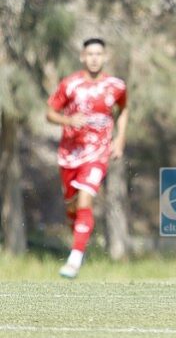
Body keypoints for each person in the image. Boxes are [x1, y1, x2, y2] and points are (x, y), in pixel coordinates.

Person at [46, 38, 128, 279]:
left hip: (97, 153)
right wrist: (68, 120)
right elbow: (49, 112)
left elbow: (124, 109)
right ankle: (79, 239)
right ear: (82, 57)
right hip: (70, 155)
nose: (94, 58)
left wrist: (120, 138)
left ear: (105, 57)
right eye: (89, 54)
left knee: (85, 201)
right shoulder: (70, 85)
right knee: (72, 206)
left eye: (98, 54)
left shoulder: (116, 86)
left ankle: (74, 259)